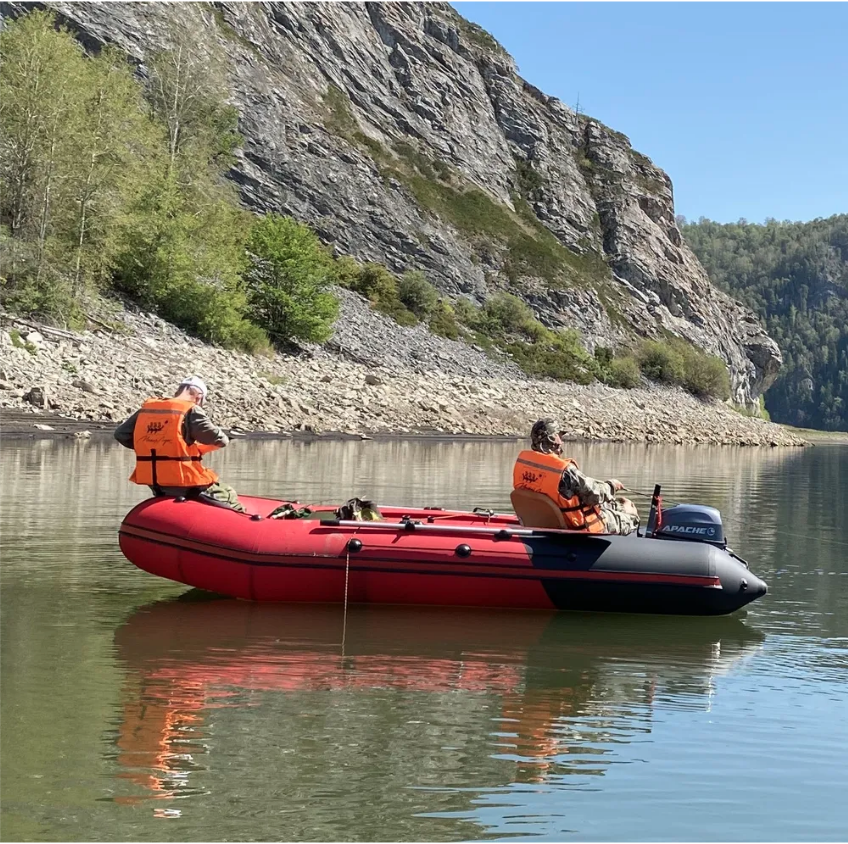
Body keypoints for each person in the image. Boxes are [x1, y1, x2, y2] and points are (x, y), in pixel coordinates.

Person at [114, 376, 245, 512]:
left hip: (155, 483)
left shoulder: (148, 409)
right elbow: (220, 440)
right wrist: (204, 446)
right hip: (185, 483)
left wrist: (151, 447)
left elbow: (120, 435)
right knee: (229, 494)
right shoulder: (191, 410)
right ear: (199, 397)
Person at [513, 418, 639, 535]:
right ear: (552, 439)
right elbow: (594, 495)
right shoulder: (566, 472)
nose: (561, 441)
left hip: (548, 520)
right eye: (559, 436)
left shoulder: (524, 464)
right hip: (576, 527)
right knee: (632, 517)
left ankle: (620, 507)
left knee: (617, 505)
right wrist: (611, 486)